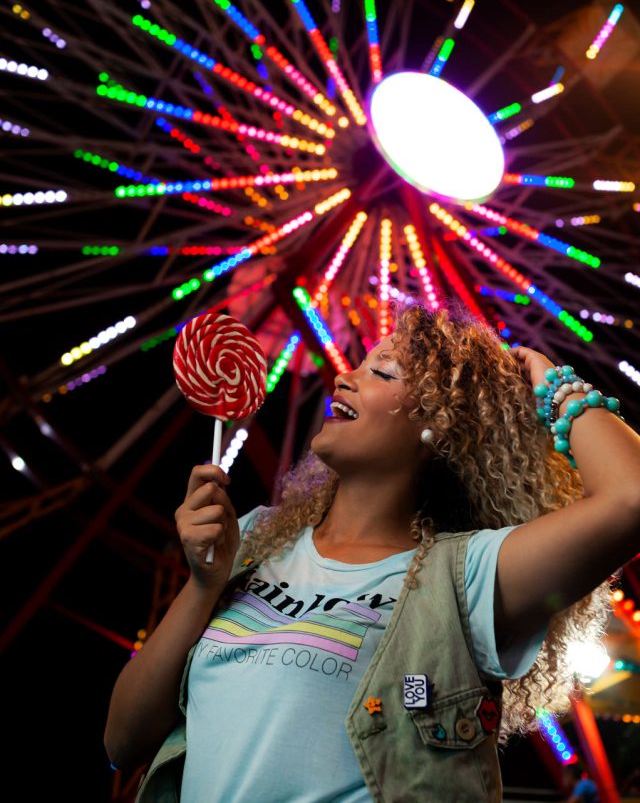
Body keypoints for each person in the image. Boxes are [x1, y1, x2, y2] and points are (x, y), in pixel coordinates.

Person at [104, 302, 640, 801]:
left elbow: (631, 497)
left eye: (382, 373)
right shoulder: (254, 539)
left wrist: (553, 382)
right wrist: (203, 586)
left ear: (441, 425)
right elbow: (123, 742)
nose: (343, 377)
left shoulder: (467, 576)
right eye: (359, 366)